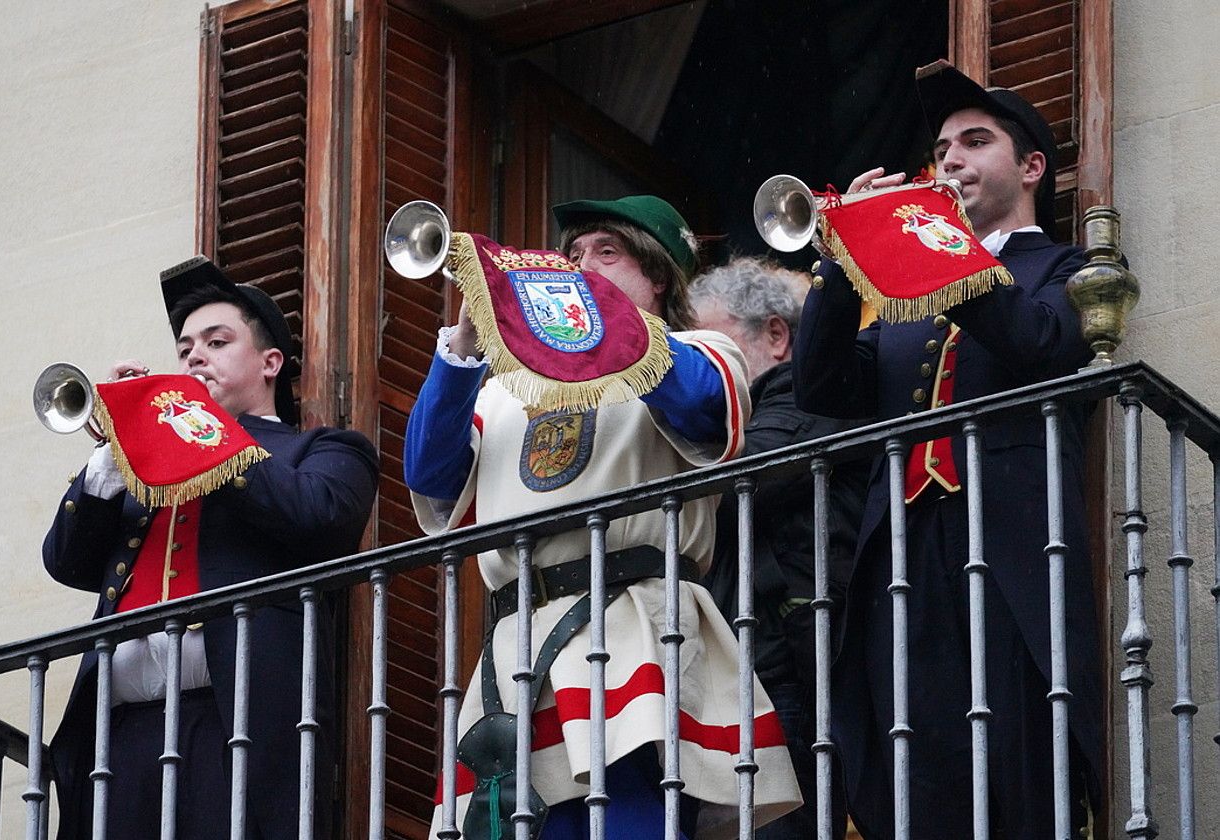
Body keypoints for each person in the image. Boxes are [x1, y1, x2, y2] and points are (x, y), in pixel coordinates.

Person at [405, 195, 800, 840]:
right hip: (516, 647)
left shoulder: (699, 350)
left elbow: (705, 410)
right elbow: (431, 477)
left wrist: (595, 316)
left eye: (606, 253)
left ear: (660, 275)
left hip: (632, 629)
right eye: (572, 256)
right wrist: (469, 343)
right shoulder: (505, 387)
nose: (580, 267)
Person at [791, 64, 1103, 839]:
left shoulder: (1064, 270)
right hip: (902, 552)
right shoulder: (900, 303)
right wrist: (840, 260)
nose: (950, 161)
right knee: (917, 761)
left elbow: (1039, 342)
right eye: (941, 150)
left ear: (1031, 167)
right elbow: (824, 387)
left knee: (1018, 756)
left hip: (1010, 550)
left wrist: (940, 247)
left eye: (974, 142)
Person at [42, 258, 379, 840]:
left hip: (236, 723)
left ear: (270, 363)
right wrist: (117, 447)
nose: (195, 356)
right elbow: (65, 561)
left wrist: (199, 426)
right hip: (120, 733)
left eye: (217, 342)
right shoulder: (146, 470)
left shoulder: (325, 450)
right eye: (185, 348)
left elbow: (320, 520)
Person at [690, 256, 867, 840]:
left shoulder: (804, 397)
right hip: (744, 664)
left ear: (776, 335)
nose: (702, 372)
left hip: (785, 664)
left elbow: (746, 481)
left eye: (713, 350)